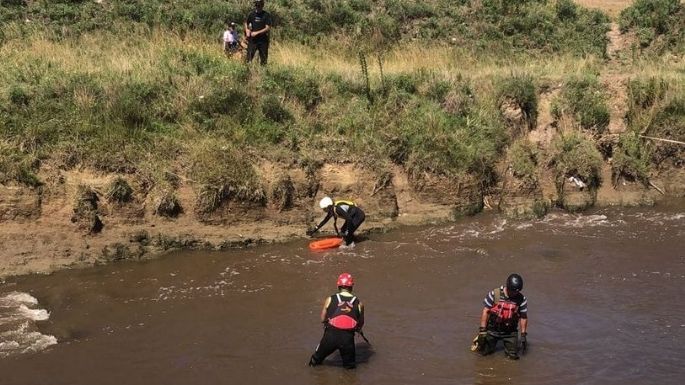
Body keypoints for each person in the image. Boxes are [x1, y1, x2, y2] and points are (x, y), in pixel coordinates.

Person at [309, 273, 365, 369]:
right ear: (352, 286)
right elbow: (360, 323)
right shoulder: (359, 303)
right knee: (349, 369)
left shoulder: (330, 299)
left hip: (330, 336)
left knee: (315, 361)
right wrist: (358, 329)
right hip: (347, 339)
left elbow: (322, 318)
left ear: (338, 286)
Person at [475, 273, 528, 360]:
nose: (515, 293)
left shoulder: (522, 299)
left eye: (517, 291)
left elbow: (523, 317)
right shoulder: (494, 294)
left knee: (513, 357)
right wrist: (482, 331)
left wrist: (523, 335)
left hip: (510, 332)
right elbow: (486, 311)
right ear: (508, 286)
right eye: (513, 291)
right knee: (483, 353)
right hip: (493, 329)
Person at [244, 0, 272, 65]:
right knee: (249, 57)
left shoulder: (266, 15)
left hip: (263, 40)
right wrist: (247, 30)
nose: (257, 7)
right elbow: (246, 23)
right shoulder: (251, 14)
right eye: (256, 5)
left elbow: (267, 28)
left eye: (259, 5)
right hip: (253, 40)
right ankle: (247, 72)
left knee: (264, 59)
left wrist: (257, 33)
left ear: (262, 5)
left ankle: (263, 73)